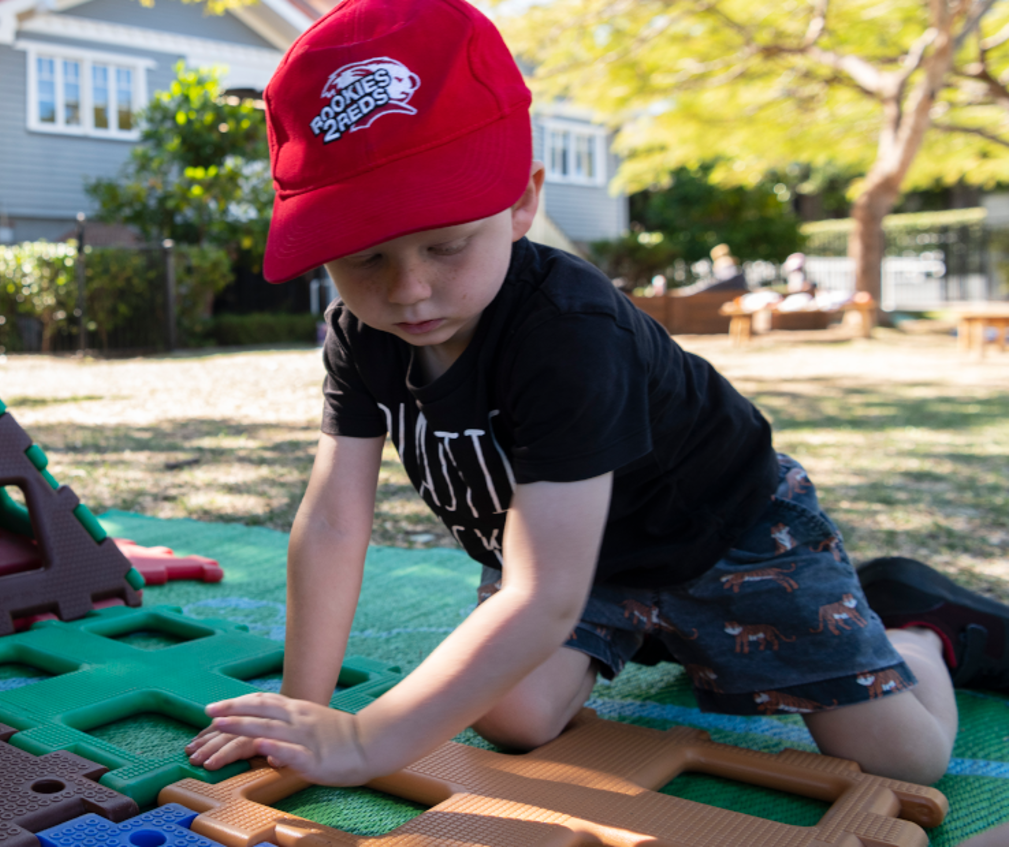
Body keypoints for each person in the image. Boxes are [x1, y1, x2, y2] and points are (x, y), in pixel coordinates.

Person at [184, 0, 1009, 791]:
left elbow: (545, 595)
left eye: (444, 244)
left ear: (521, 203)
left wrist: (366, 740)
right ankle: (658, 638)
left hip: (727, 535)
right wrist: (304, 709)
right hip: (581, 558)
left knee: (905, 757)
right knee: (514, 714)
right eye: (365, 258)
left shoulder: (569, 330)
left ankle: (916, 629)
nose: (409, 290)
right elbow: (333, 519)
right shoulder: (362, 339)